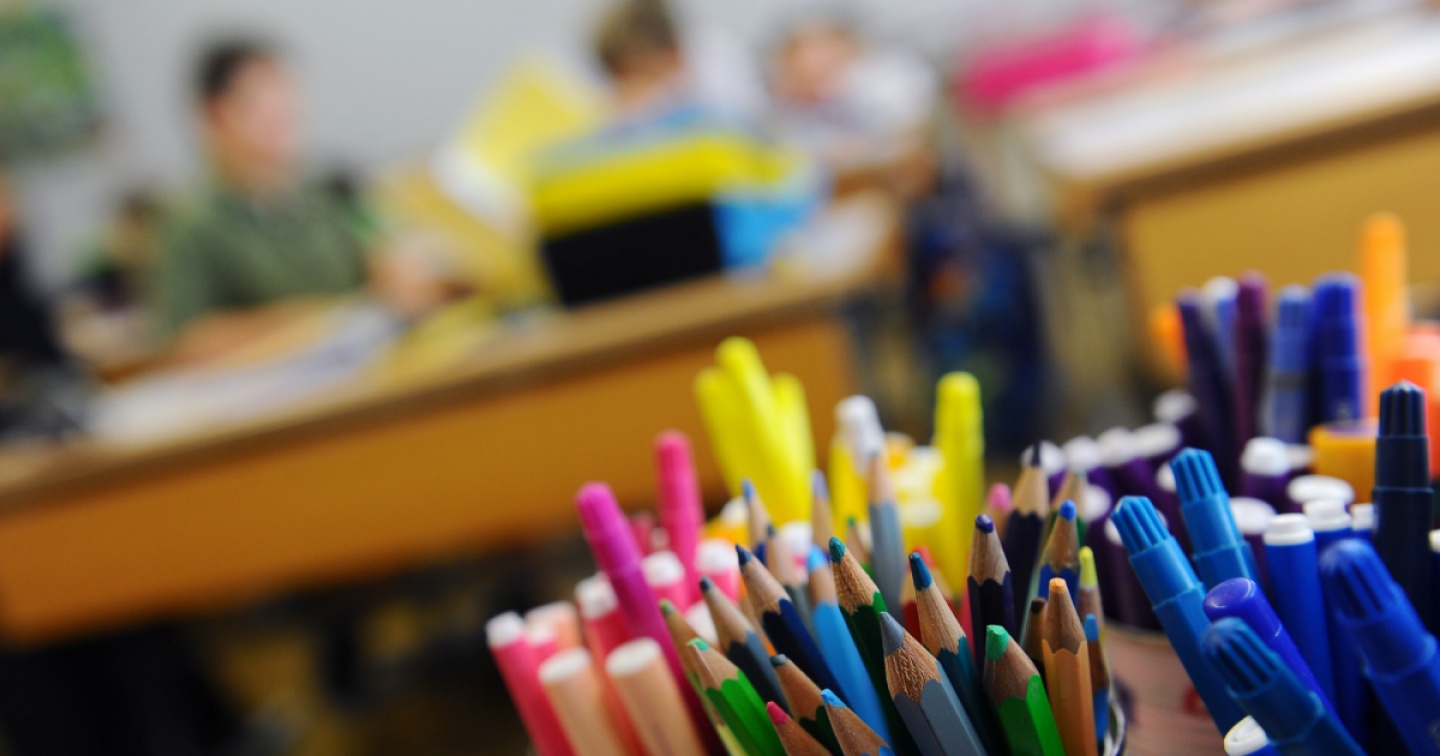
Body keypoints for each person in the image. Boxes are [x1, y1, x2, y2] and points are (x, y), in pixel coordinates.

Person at [155, 40, 446, 364]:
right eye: (261, 98)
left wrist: (398, 272)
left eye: (284, 93)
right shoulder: (191, 225)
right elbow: (189, 342)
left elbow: (392, 250)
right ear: (217, 114)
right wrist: (310, 321)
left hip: (381, 363)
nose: (282, 110)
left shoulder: (334, 188)